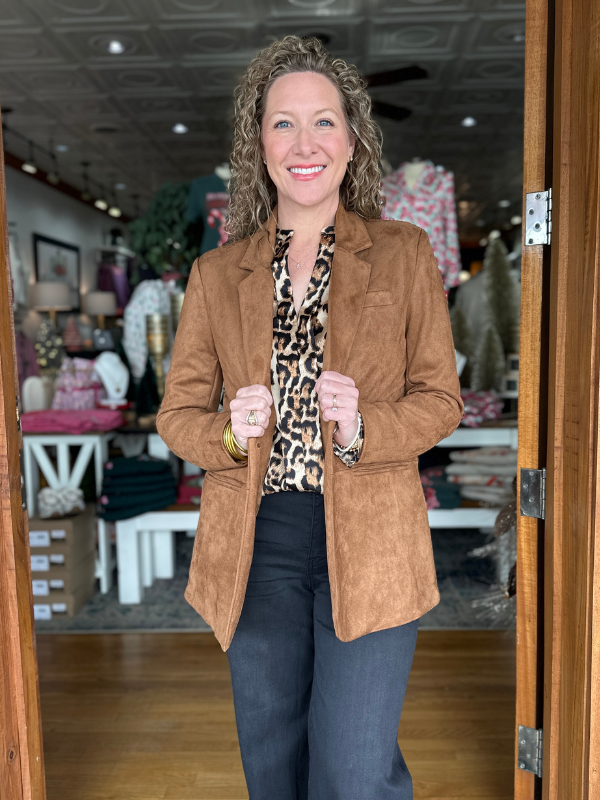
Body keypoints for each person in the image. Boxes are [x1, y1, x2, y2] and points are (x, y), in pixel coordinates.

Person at [156, 35, 464, 800]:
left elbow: (440, 400)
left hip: (373, 537)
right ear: (257, 143)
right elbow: (176, 415)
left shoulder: (402, 253)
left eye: (323, 122)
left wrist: (365, 427)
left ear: (352, 139)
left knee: (353, 770)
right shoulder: (217, 274)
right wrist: (229, 432)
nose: (304, 143)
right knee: (273, 765)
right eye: (283, 123)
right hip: (259, 541)